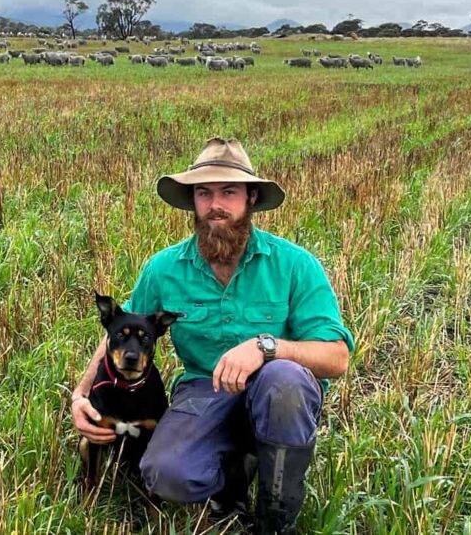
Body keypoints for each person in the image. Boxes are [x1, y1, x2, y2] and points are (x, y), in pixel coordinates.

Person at [70, 137, 354, 534]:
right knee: (166, 474)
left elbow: (337, 357)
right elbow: (119, 333)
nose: (215, 205)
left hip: (274, 392)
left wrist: (266, 348)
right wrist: (82, 394)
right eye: (204, 193)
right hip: (204, 392)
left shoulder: (295, 265)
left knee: (284, 380)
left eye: (229, 192)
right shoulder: (164, 268)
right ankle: (233, 470)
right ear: (193, 201)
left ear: (251, 198)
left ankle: (276, 518)